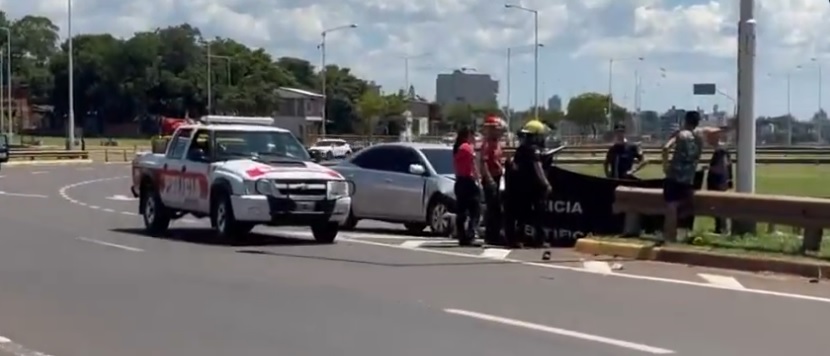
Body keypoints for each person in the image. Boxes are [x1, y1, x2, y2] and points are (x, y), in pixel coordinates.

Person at [661, 111, 722, 242]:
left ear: (685, 120)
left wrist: (665, 166)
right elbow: (713, 130)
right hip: (689, 178)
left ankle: (669, 237)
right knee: (685, 208)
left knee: (671, 206)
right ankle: (682, 235)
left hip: (674, 176)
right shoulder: (699, 135)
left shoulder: (680, 134)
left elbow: (666, 148)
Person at [504, 119, 552, 248]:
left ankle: (520, 239)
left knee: (522, 215)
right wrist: (546, 184)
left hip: (520, 188)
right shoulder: (532, 150)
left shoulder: (522, 149)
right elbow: (537, 168)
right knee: (537, 215)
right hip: (531, 188)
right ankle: (538, 239)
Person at [479, 116, 506, 245]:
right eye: (495, 129)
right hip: (490, 178)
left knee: (497, 207)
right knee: (493, 208)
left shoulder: (498, 143)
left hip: (498, 177)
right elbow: (483, 163)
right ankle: (491, 235)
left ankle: (495, 233)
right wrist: (489, 179)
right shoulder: (487, 144)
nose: (498, 131)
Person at [452, 126, 481, 246]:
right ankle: (470, 234)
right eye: (472, 135)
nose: (473, 138)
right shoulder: (467, 148)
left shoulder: (457, 148)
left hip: (459, 181)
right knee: (475, 210)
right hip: (468, 181)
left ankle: (461, 236)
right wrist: (478, 179)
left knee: (461, 211)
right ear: (467, 136)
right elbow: (473, 164)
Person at [705, 127, 733, 234]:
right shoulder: (723, 150)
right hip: (722, 181)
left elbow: (720, 167)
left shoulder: (720, 151)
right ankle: (721, 228)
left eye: (709, 138)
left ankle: (722, 229)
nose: (707, 140)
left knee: (719, 207)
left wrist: (708, 168)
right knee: (719, 207)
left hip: (718, 182)